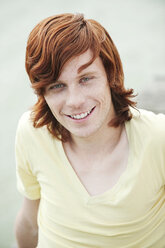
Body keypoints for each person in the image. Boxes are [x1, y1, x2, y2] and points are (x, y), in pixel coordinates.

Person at [14, 13, 165, 248]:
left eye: (86, 79)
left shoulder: (157, 138)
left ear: (110, 75)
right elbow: (29, 222)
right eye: (57, 86)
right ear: (42, 93)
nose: (75, 101)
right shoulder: (32, 132)